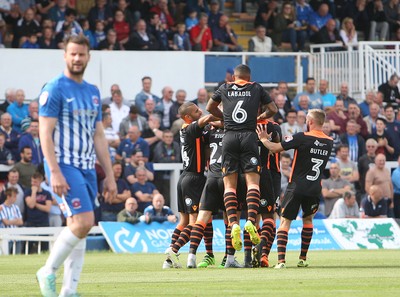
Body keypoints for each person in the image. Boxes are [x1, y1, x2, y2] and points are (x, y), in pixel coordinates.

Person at [36, 35, 116, 297]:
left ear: (88, 57)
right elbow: (44, 134)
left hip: (87, 167)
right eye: (72, 54)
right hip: (63, 165)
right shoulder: (54, 88)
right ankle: (48, 270)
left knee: (80, 226)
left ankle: (69, 290)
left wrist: (110, 176)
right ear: (65, 55)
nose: (77, 59)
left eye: (81, 54)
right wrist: (54, 171)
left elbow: (99, 136)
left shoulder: (93, 92)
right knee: (84, 221)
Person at [206, 64, 277, 252]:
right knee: (253, 183)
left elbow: (209, 107)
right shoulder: (256, 87)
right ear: (249, 76)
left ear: (234, 77)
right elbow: (273, 109)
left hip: (229, 136)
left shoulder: (225, 87)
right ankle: (251, 221)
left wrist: (224, 117)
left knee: (230, 185)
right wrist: (260, 116)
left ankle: (233, 223)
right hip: (248, 136)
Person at [257, 108, 333, 268]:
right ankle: (302, 258)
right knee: (308, 220)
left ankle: (281, 261)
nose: (305, 122)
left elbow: (276, 148)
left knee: (285, 222)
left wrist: (264, 140)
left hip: (297, 186)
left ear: (311, 122)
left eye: (307, 119)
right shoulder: (329, 141)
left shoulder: (302, 137)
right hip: (314, 188)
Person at [164, 102, 218, 269]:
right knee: (196, 222)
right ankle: (175, 251)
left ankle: (169, 261)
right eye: (196, 111)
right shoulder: (190, 127)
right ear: (188, 117)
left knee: (185, 220)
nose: (200, 111)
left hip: (184, 177)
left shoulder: (187, 128)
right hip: (194, 179)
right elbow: (208, 118)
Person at [0, 188, 23, 254]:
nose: (16, 198)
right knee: (6, 255)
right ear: (8, 196)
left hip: (17, 237)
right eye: (14, 196)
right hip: (6, 237)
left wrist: (10, 221)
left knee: (18, 256)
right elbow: (6, 222)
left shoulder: (16, 207)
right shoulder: (1, 208)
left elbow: (21, 222)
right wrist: (16, 221)